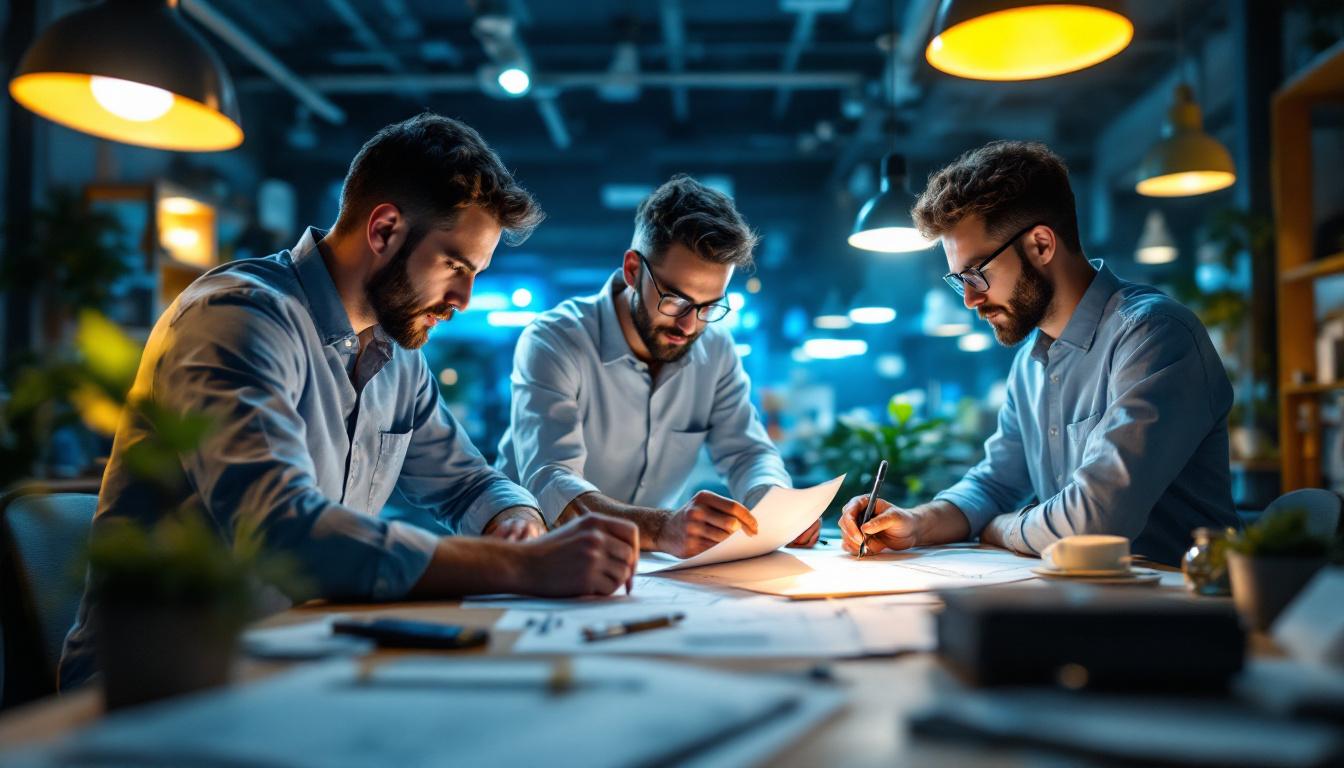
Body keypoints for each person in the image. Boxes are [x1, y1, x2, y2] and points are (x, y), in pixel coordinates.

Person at [60, 114, 638, 689]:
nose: (463, 298)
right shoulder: (238, 320)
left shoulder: (396, 358)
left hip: (299, 659)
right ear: (384, 229)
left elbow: (470, 485)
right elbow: (281, 530)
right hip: (161, 685)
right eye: (455, 266)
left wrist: (517, 521)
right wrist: (522, 567)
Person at [840, 140, 1238, 566]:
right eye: (960, 281)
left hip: (1183, 609)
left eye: (976, 274)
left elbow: (1095, 523)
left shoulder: (1154, 336)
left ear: (1042, 245)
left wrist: (1000, 528)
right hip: (1084, 603)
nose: (970, 301)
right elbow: (995, 486)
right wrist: (915, 523)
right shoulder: (1030, 363)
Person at [496, 175, 818, 558]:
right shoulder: (554, 340)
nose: (689, 325)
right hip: (541, 558)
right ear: (633, 270)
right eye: (676, 300)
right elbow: (552, 482)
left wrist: (776, 506)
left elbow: (748, 452)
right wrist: (663, 527)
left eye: (708, 307)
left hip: (653, 567)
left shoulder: (715, 348)